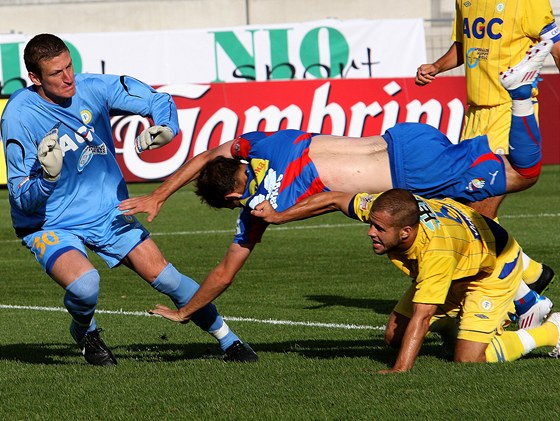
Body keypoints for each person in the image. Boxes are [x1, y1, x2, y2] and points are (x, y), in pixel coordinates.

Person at [120, 42, 553, 330]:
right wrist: (159, 193)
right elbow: (209, 153)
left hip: (409, 172)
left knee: (521, 176)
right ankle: (526, 294)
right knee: (466, 220)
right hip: (403, 137)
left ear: (233, 197)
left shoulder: (261, 207)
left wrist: (184, 313)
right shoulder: (267, 143)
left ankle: (519, 93)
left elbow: (224, 273)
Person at [0, 33, 257, 366]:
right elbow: (21, 198)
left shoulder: (92, 87)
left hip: (106, 210)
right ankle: (84, 330)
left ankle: (228, 340)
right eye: (55, 73)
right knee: (85, 285)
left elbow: (155, 99)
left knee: (166, 277)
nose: (68, 78)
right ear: (35, 78)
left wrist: (166, 126)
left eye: (69, 66)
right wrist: (47, 179)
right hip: (50, 220)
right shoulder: (19, 116)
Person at [275, 188, 560, 372]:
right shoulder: (389, 208)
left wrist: (399, 371)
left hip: (491, 268)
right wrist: (277, 218)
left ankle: (551, 331)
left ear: (406, 232)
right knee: (393, 338)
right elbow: (333, 198)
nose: (370, 232)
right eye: (371, 223)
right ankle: (460, 325)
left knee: (468, 359)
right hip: (462, 256)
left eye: (379, 228)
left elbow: (422, 317)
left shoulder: (435, 251)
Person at [415, 0, 560, 297]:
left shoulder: (527, 3)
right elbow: (464, 44)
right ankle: (529, 275)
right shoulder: (464, 1)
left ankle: (516, 295)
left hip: (510, 111)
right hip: (475, 115)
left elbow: (556, 45)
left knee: (478, 209)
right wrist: (436, 67)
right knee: (458, 205)